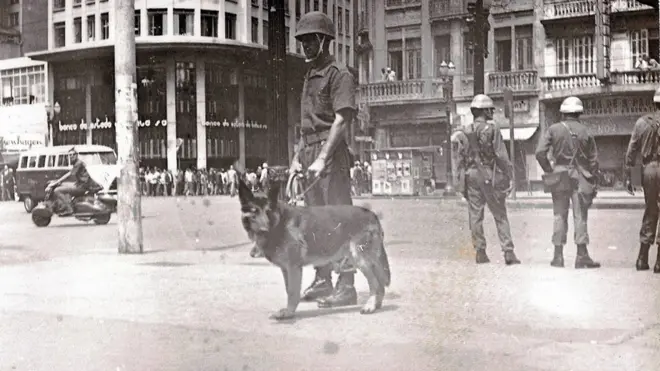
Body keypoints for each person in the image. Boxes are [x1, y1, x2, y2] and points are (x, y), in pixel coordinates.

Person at [291, 11, 358, 308]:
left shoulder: (339, 74)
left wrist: (321, 157)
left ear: (324, 40)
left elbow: (341, 120)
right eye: (302, 40)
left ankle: (346, 285)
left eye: (310, 39)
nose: (305, 45)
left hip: (330, 157)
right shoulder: (309, 75)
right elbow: (306, 123)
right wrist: (297, 157)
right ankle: (322, 278)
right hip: (309, 153)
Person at [454, 94, 521, 265]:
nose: (492, 112)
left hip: (471, 176)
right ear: (484, 111)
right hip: (489, 175)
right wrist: (509, 174)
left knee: (475, 216)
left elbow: (460, 161)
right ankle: (508, 252)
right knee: (500, 214)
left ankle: (480, 252)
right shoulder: (492, 129)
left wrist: (460, 183)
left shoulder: (464, 133)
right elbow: (501, 155)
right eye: (490, 109)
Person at [535, 96, 601, 269]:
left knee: (559, 215)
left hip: (559, 176)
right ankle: (581, 256)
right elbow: (594, 161)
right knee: (580, 216)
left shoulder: (553, 129)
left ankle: (558, 256)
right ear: (579, 113)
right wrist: (592, 177)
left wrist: (549, 169)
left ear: (563, 113)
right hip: (580, 177)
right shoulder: (585, 131)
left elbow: (540, 152)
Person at [624, 87, 660, 273]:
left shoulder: (641, 123)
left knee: (651, 210)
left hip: (649, 169)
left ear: (654, 102)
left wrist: (628, 176)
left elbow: (631, 151)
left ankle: (642, 258)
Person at [47, 148, 99, 216]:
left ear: (76, 155)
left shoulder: (78, 163)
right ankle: (63, 204)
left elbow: (70, 174)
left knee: (57, 190)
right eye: (70, 155)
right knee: (62, 185)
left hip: (82, 187)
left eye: (73, 154)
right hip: (80, 184)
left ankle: (68, 208)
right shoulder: (78, 163)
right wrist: (58, 182)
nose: (71, 156)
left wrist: (57, 181)